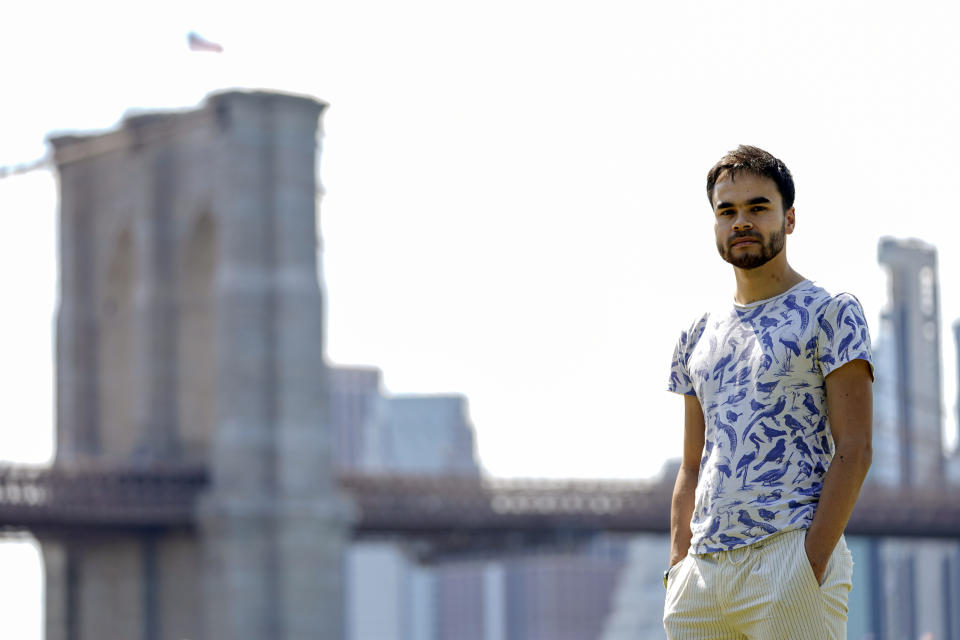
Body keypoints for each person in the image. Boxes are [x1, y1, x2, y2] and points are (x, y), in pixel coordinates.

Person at [662, 145, 874, 639]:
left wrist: (811, 559)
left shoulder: (831, 312)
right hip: (702, 577)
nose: (741, 221)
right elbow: (692, 464)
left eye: (758, 207)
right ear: (714, 223)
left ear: (790, 219)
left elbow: (856, 448)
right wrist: (678, 566)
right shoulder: (696, 333)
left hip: (788, 556)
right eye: (727, 211)